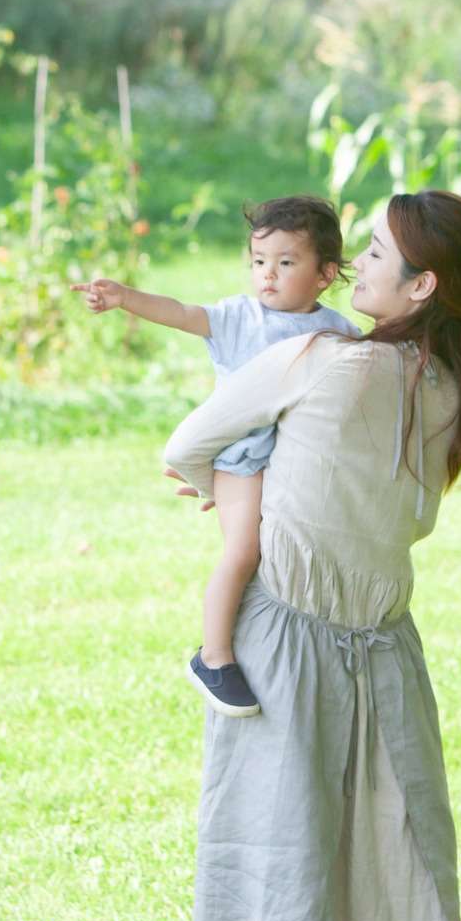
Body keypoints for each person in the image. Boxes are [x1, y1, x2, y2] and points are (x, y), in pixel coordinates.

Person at [162, 189, 461, 921]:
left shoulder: (317, 359)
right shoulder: (456, 384)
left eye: (378, 251)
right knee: (395, 865)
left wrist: (234, 495)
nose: (359, 258)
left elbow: (185, 446)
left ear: (421, 285)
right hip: (387, 645)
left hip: (284, 639)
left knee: (275, 867)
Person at [70, 196, 358, 717]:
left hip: (296, 464)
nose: (267, 275)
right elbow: (181, 313)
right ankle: (214, 656)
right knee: (243, 551)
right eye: (258, 262)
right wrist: (123, 297)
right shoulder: (239, 318)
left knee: (287, 552)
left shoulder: (340, 332)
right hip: (242, 463)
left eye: (286, 263)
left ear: (325, 274)